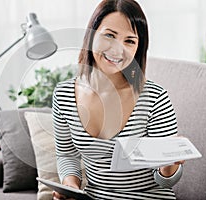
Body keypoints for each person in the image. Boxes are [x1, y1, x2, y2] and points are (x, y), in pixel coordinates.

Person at [52, 0, 184, 199]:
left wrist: (168, 166)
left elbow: (166, 181)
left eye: (129, 41)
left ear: (138, 48)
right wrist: (70, 186)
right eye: (109, 36)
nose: (117, 50)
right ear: (91, 35)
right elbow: (67, 155)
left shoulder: (155, 98)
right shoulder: (63, 95)